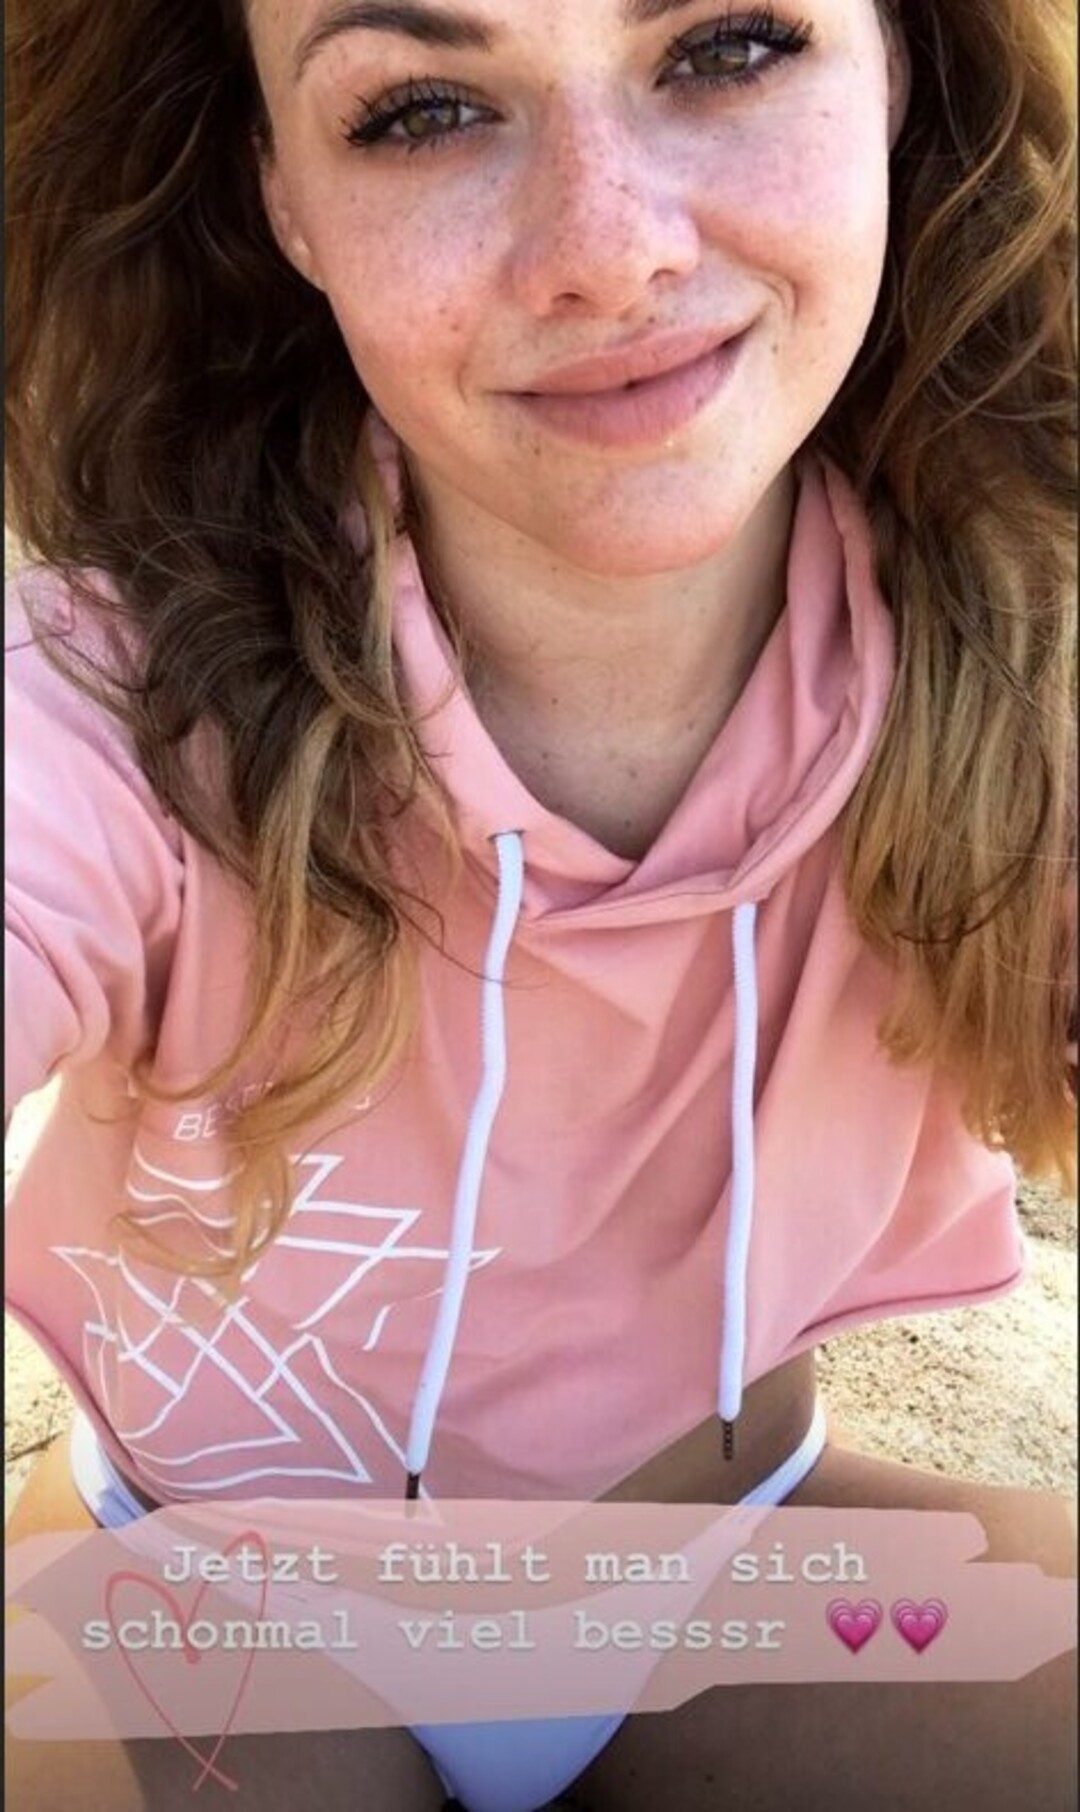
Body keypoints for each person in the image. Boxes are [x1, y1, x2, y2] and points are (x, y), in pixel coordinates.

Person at [5, 0, 1076, 1807]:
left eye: (729, 46)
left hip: (748, 1578)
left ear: (898, 63)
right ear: (281, 196)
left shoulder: (1030, 670)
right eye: (422, 108)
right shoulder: (113, 698)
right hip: (197, 1598)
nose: (608, 248)